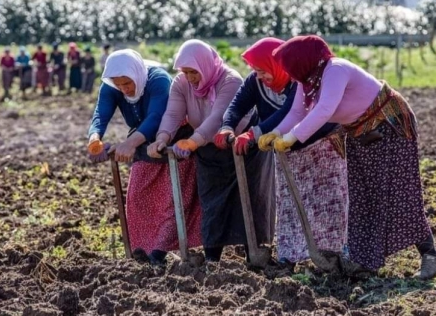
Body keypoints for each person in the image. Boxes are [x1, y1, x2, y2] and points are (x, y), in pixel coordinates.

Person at [258, 35, 436, 280]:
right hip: (359, 133)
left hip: (389, 126)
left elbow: (325, 109)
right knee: (361, 195)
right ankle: (365, 263)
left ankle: (430, 256)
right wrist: (276, 133)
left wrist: (293, 137)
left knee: (399, 192)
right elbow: (297, 111)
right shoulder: (308, 80)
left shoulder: (336, 70)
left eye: (290, 67)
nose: (289, 74)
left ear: (302, 61)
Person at [216, 37, 348, 265]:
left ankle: (332, 254)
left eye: (263, 70)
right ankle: (291, 255)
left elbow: (288, 114)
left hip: (319, 147)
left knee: (326, 202)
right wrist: (227, 126)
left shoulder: (297, 80)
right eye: (256, 70)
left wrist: (254, 133)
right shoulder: (255, 82)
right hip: (285, 148)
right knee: (289, 206)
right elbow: (237, 105)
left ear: (276, 65)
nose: (260, 76)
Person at [147, 39, 274, 262]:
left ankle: (254, 254)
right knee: (212, 202)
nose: (189, 78)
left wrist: (193, 141)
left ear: (205, 65)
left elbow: (220, 118)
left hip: (242, 146)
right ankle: (213, 258)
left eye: (193, 72)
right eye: (185, 72)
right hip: (209, 150)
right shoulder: (181, 83)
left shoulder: (230, 80)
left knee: (251, 199)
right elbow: (173, 114)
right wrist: (162, 137)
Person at [87, 49, 202, 265]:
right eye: (119, 85)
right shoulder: (112, 86)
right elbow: (100, 114)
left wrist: (130, 143)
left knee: (173, 199)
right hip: (142, 139)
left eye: (127, 83)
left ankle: (159, 253)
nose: (124, 89)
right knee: (138, 195)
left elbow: (156, 116)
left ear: (136, 75)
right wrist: (95, 138)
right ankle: (143, 251)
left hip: (173, 137)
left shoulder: (158, 80)